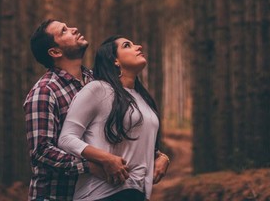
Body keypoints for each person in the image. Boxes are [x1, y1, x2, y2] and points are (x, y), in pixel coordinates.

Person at [58, 35, 171, 201]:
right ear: (115, 60)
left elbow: (135, 143)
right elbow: (66, 139)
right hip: (100, 194)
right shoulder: (97, 89)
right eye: (127, 45)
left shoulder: (142, 98)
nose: (138, 47)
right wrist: (106, 159)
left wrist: (162, 157)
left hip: (138, 194)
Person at [25, 19, 126, 201]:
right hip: (55, 195)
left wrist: (158, 155)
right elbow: (42, 150)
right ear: (55, 52)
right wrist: (89, 166)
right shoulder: (45, 91)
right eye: (64, 31)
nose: (74, 29)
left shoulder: (96, 80)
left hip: (95, 193)